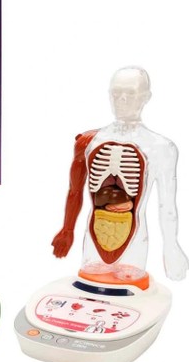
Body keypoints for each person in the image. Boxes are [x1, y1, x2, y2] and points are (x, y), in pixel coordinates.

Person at [52, 66, 188, 281]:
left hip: (135, 243)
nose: (122, 100)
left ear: (146, 97)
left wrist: (171, 246)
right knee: (91, 279)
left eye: (130, 93)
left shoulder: (161, 147)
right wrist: (67, 229)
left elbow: (167, 205)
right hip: (93, 240)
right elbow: (74, 190)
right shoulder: (88, 141)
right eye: (116, 93)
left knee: (129, 281)